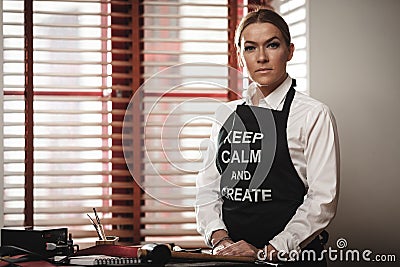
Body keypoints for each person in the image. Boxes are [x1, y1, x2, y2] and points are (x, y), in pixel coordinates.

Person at [195, 8, 340, 266]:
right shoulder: (225, 115)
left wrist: (270, 249)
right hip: (233, 259)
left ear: (290, 51)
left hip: (292, 259)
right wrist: (220, 241)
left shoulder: (313, 114)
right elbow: (207, 190)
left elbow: (322, 200)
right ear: (240, 57)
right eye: (250, 48)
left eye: (272, 45)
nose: (261, 57)